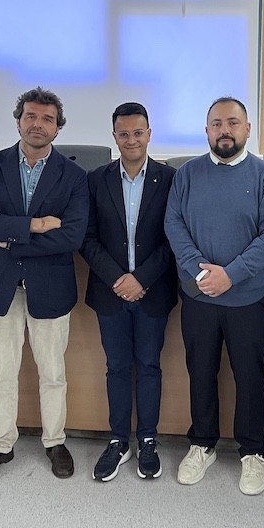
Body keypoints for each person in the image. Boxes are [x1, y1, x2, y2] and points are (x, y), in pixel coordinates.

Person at [164, 96, 264, 495]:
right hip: (199, 296)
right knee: (200, 371)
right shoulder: (186, 174)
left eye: (233, 123)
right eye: (217, 124)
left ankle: (252, 451)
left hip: (248, 299)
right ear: (206, 131)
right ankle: (202, 444)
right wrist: (203, 272)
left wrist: (231, 275)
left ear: (247, 129)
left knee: (250, 376)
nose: (225, 131)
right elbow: (174, 225)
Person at [0, 87, 89, 482]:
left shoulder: (74, 176)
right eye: (31, 116)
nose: (38, 124)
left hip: (50, 287)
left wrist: (6, 235)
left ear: (58, 128)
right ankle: (1, 445)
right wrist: (35, 225)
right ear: (18, 121)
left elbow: (72, 236)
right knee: (2, 373)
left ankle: (55, 441)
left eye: (47, 119)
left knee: (52, 372)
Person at [80, 102, 177, 481]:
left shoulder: (170, 179)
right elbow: (87, 237)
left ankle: (148, 439)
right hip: (110, 292)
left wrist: (142, 279)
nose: (131, 140)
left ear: (149, 134)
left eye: (138, 133)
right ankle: (119, 440)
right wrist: (117, 278)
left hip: (153, 291)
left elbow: (174, 237)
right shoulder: (95, 179)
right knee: (117, 367)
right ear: (114, 136)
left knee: (150, 365)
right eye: (124, 134)